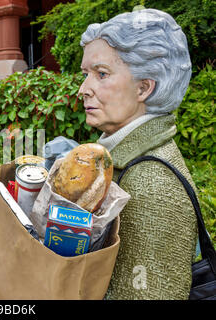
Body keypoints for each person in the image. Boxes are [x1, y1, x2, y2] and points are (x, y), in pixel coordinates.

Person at [78, 9, 198, 299]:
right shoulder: (122, 160)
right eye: (85, 75)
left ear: (144, 87)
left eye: (101, 74)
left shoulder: (151, 185)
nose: (83, 89)